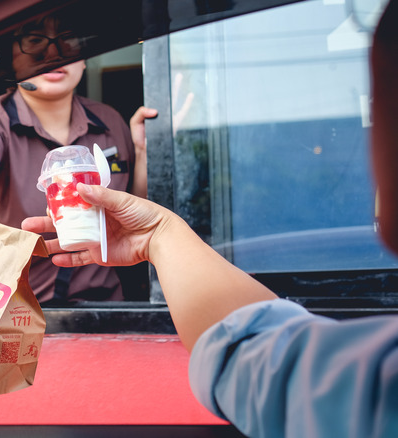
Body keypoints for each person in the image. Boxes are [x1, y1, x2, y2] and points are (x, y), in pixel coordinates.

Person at [22, 2, 398, 436]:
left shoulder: (362, 386)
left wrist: (155, 210)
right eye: (35, 40)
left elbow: (252, 353)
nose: (55, 52)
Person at [0, 13, 157, 303]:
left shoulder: (111, 122)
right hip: (18, 316)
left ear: (86, 55)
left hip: (109, 310)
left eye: (67, 38)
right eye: (35, 40)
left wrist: (143, 153)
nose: (54, 52)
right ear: (9, 56)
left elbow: (135, 211)